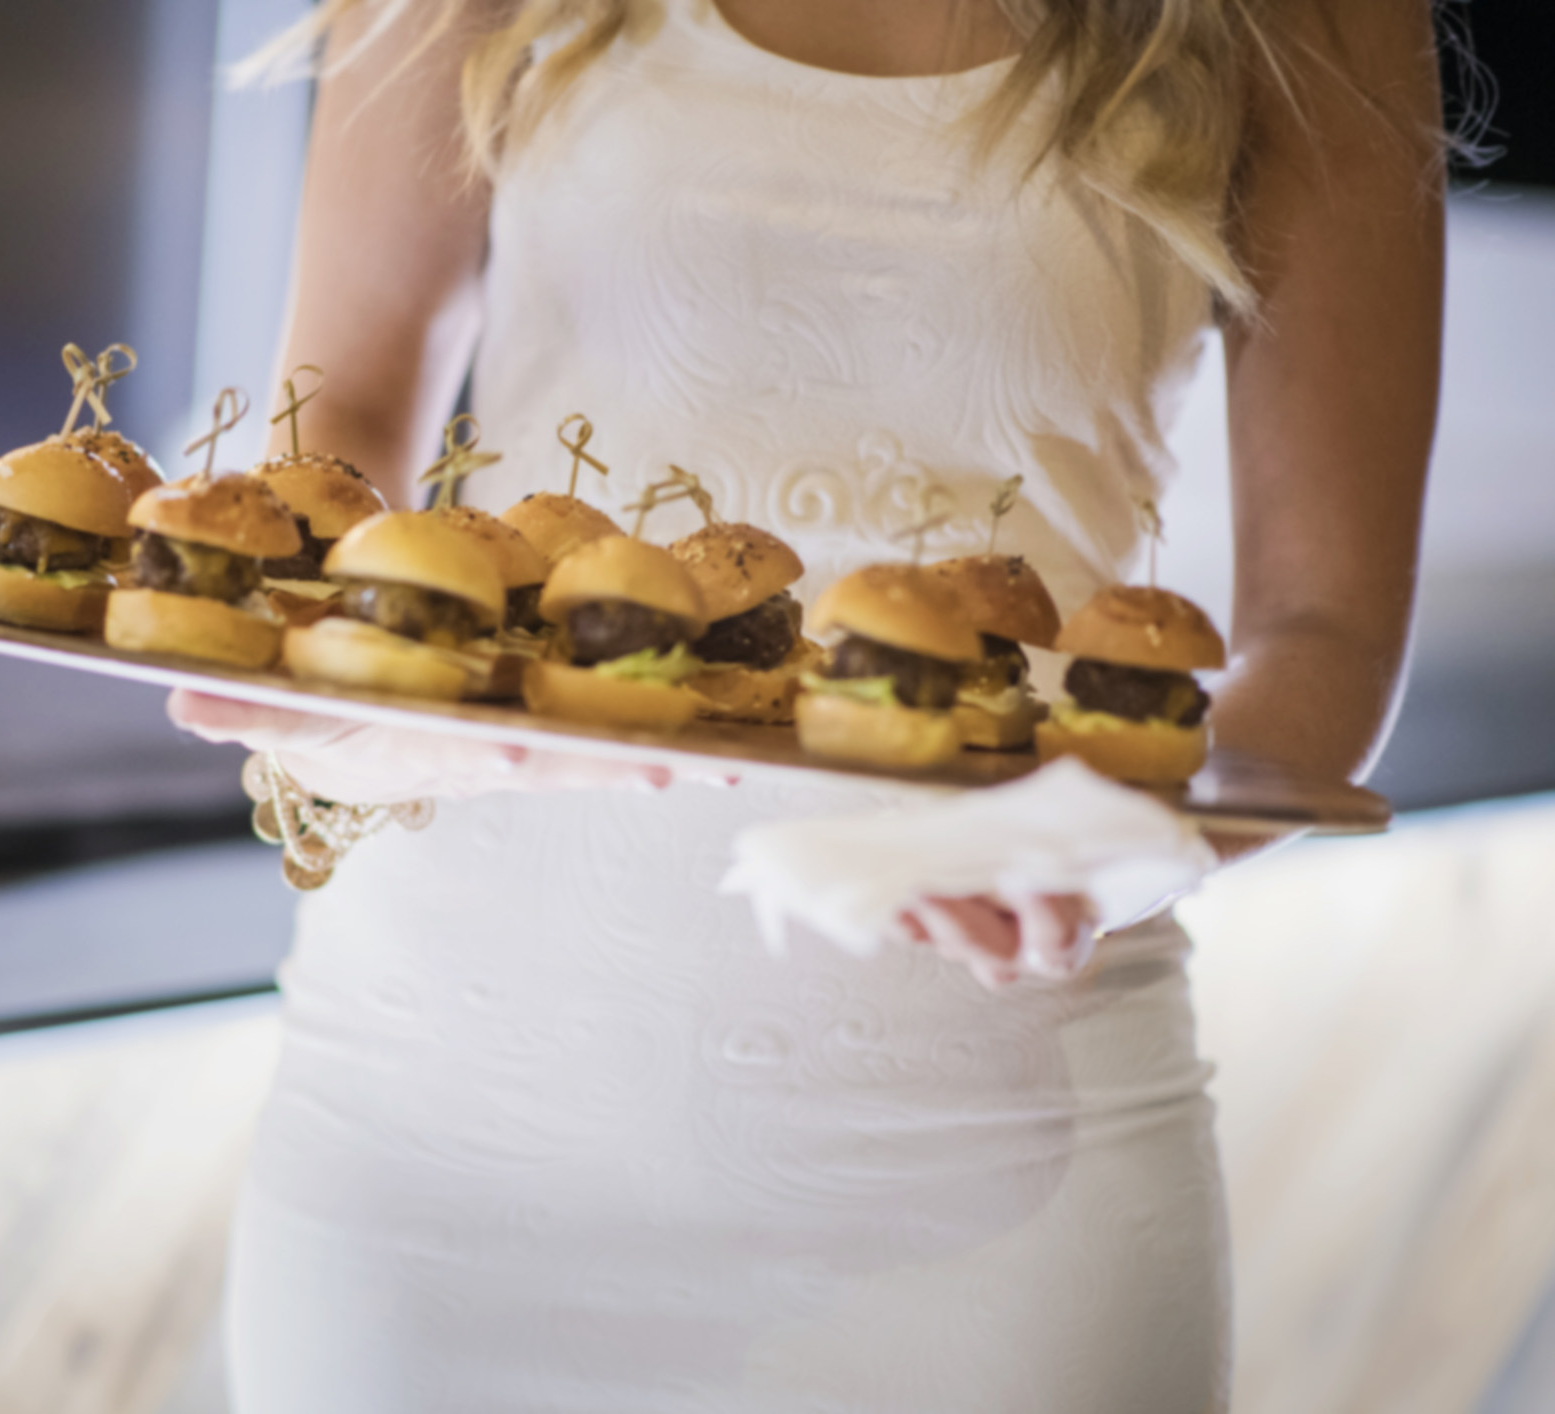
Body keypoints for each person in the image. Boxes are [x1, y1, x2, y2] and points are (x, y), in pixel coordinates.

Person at [173, 1, 1445, 1408]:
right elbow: (332, 419)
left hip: (992, 1169)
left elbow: (1324, 627)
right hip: (426, 1125)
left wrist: (1126, 849)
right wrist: (350, 708)